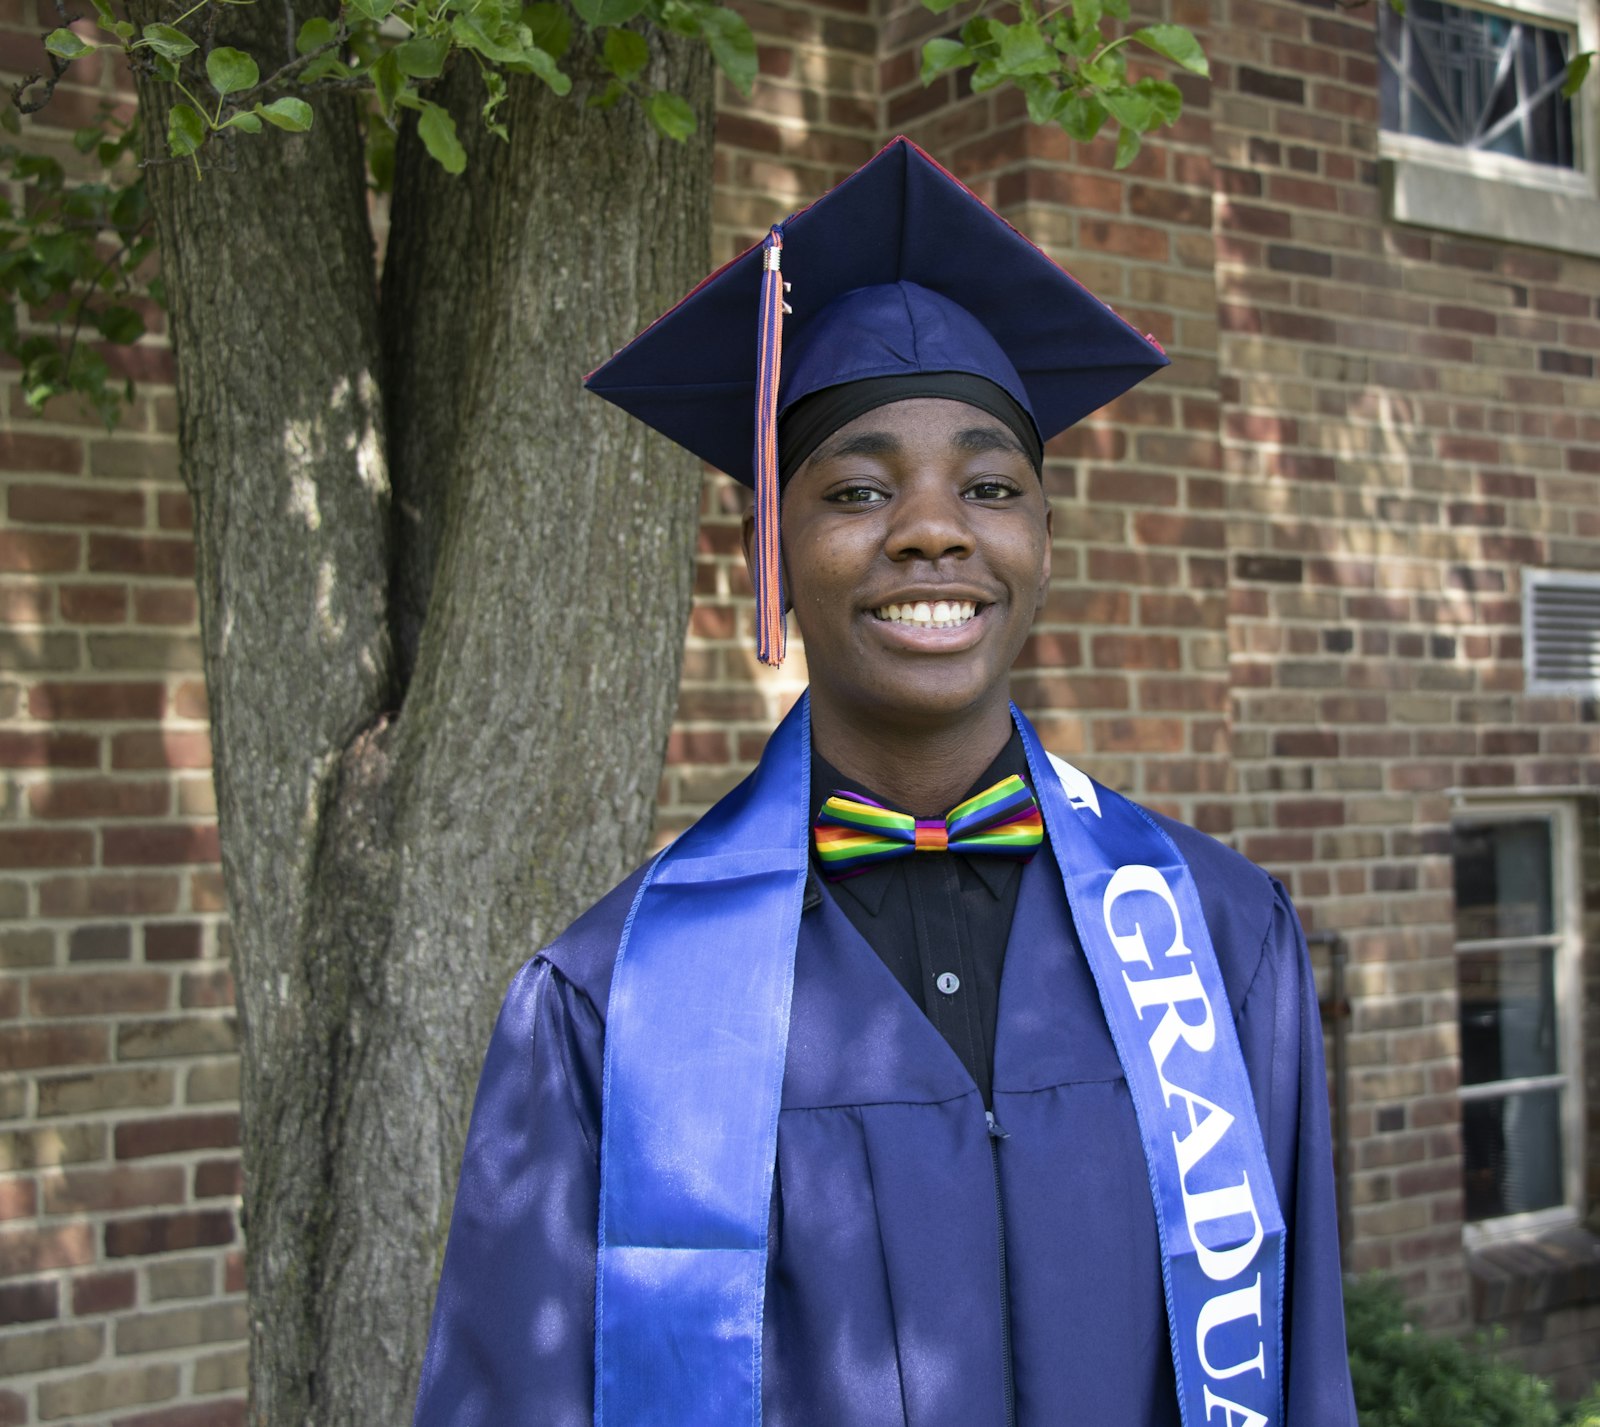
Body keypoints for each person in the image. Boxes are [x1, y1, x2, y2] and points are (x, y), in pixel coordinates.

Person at [412, 137, 1358, 1427]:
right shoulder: (610, 1004)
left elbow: (1297, 1377)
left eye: (989, 484)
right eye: (860, 487)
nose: (932, 527)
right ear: (775, 543)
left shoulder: (1221, 940)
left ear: (1040, 536)